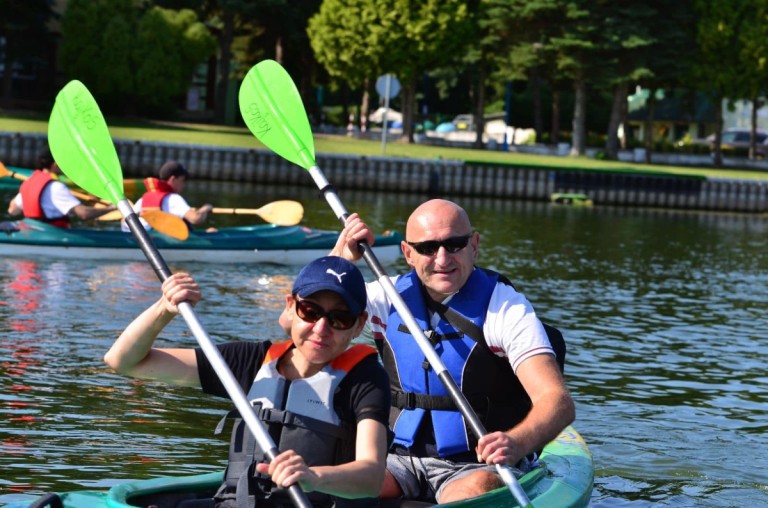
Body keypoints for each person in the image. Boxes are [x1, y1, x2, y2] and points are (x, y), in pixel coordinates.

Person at [324, 199, 575, 504]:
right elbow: (302, 323)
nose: (442, 259)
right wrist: (340, 261)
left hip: (476, 466)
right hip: (398, 458)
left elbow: (557, 402)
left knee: (466, 495)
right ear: (407, 253)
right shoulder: (385, 298)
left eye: (454, 244)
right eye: (428, 247)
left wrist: (517, 443)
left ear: (474, 245)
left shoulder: (506, 308)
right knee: (343, 487)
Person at [104, 256, 390, 508]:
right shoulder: (249, 361)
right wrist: (163, 310)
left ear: (359, 325)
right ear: (290, 308)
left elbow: (371, 477)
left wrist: (313, 477)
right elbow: (124, 361)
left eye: (339, 318)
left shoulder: (365, 379)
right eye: (310, 311)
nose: (321, 329)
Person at [7, 146, 116, 227]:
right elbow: (84, 214)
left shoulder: (29, 183)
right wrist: (111, 208)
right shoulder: (56, 187)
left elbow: (12, 210)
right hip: (54, 234)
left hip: (31, 231)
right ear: (54, 164)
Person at [122, 160, 214, 232]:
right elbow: (196, 218)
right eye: (183, 180)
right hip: (163, 243)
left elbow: (125, 222)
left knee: (209, 231)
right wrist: (205, 208)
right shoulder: (174, 199)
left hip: (145, 238)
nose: (183, 184)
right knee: (213, 231)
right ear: (173, 179)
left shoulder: (144, 198)